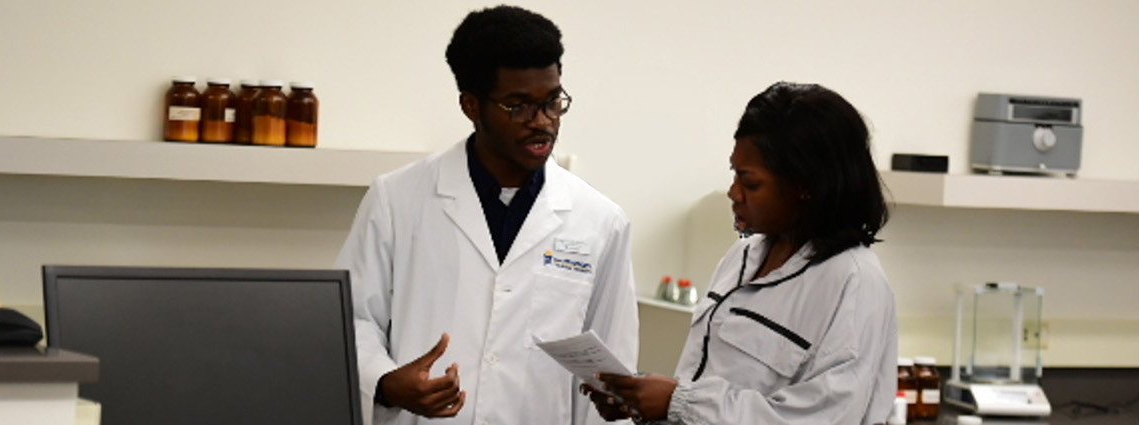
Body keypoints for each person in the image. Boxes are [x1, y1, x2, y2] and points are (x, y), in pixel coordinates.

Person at [335, 5, 638, 425]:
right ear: (471, 105)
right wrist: (386, 382)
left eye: (552, 102)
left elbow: (609, 374)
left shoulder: (600, 221)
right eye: (518, 106)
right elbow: (352, 320)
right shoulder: (397, 199)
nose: (543, 123)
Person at [587, 82, 899, 424]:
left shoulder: (853, 280)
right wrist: (645, 403)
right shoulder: (743, 256)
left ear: (805, 187)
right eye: (734, 175)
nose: (733, 193)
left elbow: (823, 416)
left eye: (750, 183)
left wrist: (678, 403)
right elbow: (714, 385)